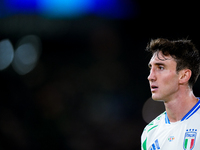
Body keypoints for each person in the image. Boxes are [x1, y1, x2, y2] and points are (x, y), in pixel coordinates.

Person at [141, 38, 200, 150]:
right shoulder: (150, 132)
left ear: (183, 76)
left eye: (160, 67)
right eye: (151, 68)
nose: (150, 77)